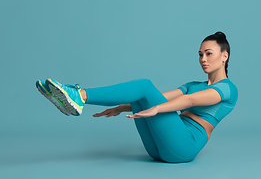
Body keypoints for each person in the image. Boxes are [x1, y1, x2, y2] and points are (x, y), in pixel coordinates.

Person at [36, 31, 238, 163]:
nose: (202, 59)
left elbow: (191, 101)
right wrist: (121, 107)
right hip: (158, 148)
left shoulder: (228, 89)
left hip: (184, 146)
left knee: (143, 85)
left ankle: (80, 95)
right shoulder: (193, 85)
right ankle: (74, 99)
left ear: (224, 56)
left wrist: (158, 109)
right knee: (139, 94)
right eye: (200, 54)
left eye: (208, 53)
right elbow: (161, 97)